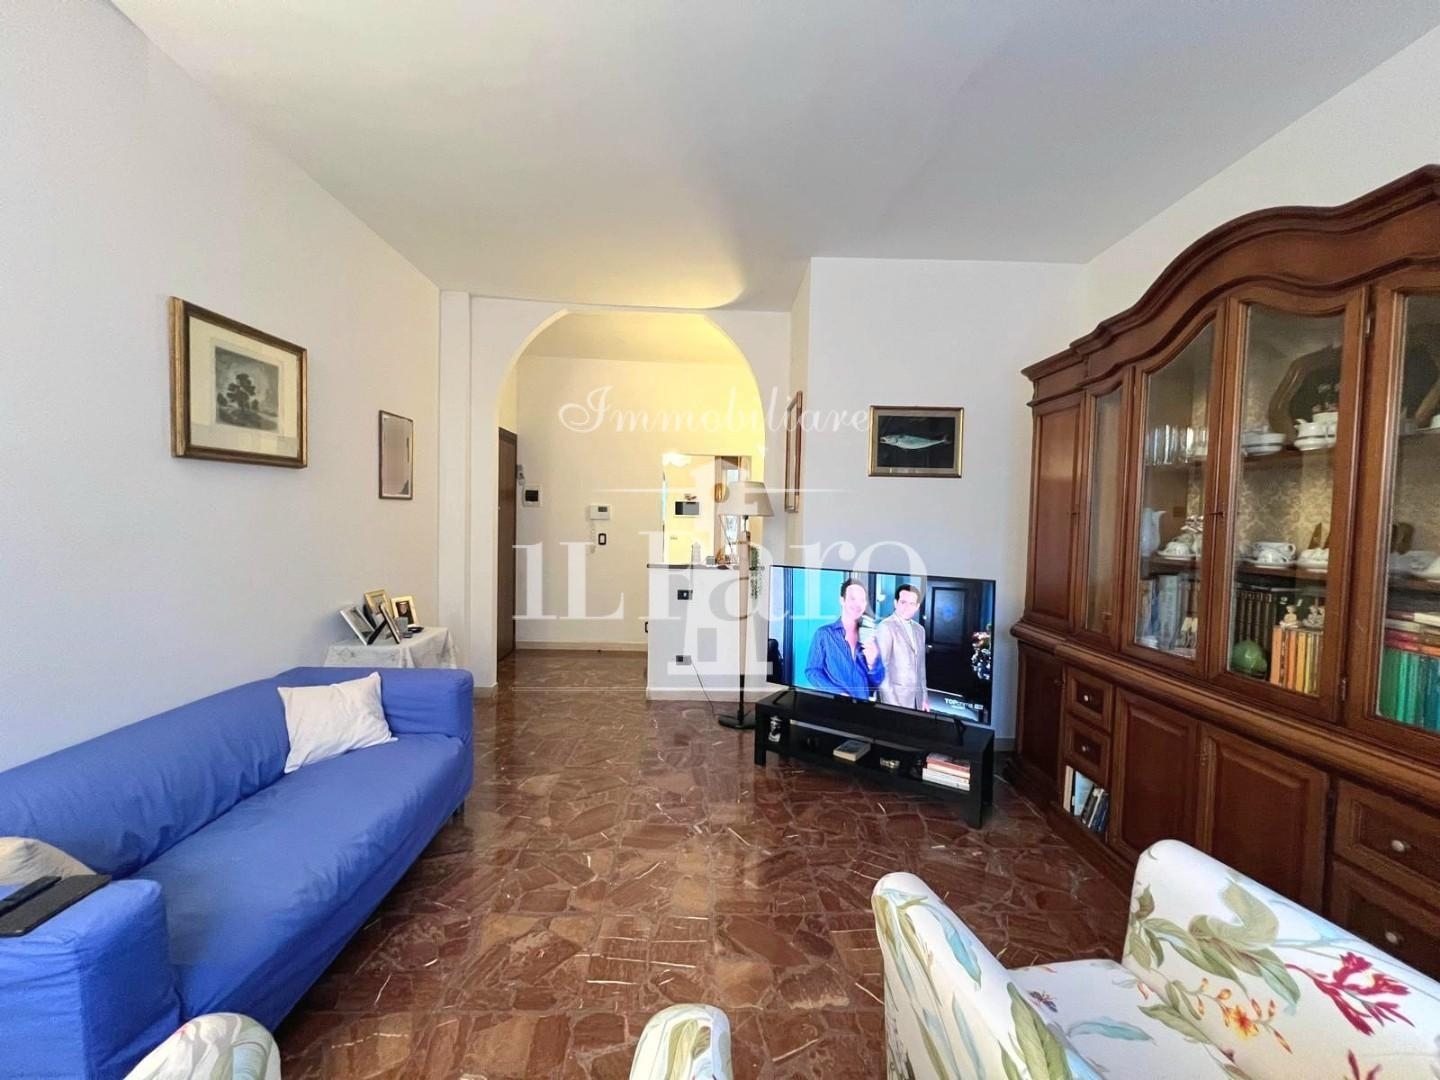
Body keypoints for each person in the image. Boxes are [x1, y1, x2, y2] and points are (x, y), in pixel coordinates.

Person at [804, 578, 886, 699]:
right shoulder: (824, 634)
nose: (857, 604)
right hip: (834, 705)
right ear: (842, 600)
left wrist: (872, 663)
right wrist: (838, 693)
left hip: (862, 706)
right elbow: (812, 672)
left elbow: (876, 682)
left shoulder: (870, 638)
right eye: (853, 598)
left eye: (862, 600)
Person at [876, 583, 929, 710]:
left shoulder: (920, 630)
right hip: (895, 700)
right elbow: (882, 670)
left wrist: (924, 698)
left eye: (912, 604)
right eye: (903, 602)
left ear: (917, 606)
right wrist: (892, 704)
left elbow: (921, 668)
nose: (907, 607)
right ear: (896, 603)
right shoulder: (886, 627)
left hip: (916, 700)